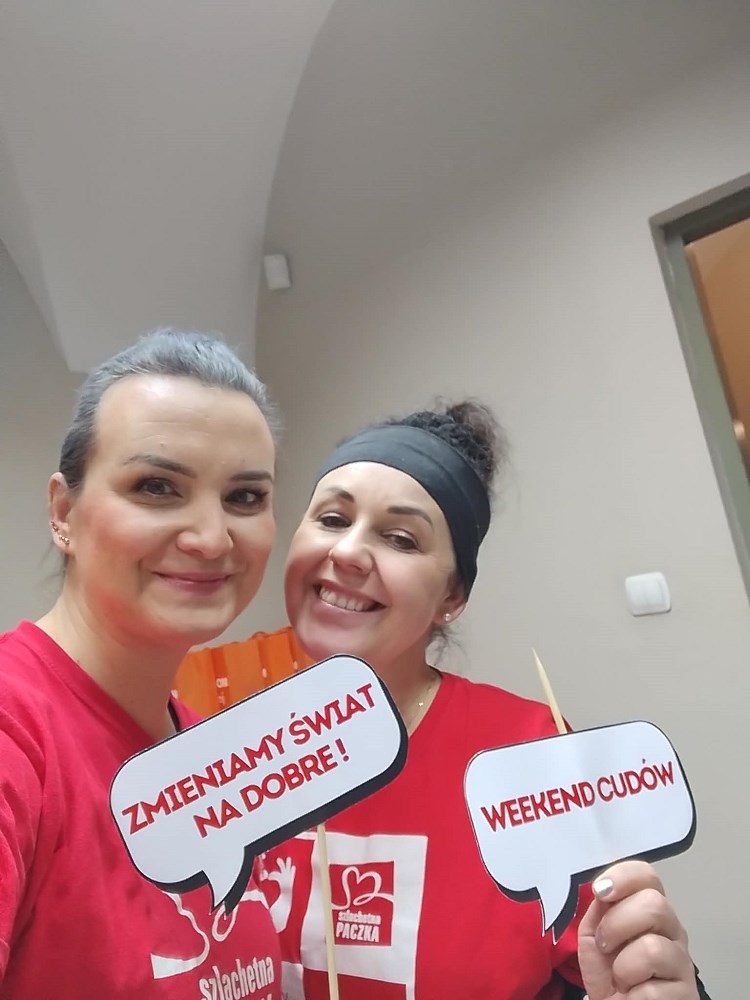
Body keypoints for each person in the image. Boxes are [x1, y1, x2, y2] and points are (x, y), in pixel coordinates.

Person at [258, 400, 709, 1000]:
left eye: (400, 538)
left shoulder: (528, 752)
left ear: (452, 596)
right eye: (333, 519)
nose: (347, 553)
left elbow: (624, 972)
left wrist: (664, 982)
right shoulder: (224, 752)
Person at [0, 329, 283, 998]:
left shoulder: (208, 752)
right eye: (157, 487)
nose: (211, 537)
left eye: (245, 497)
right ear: (64, 512)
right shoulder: (15, 731)